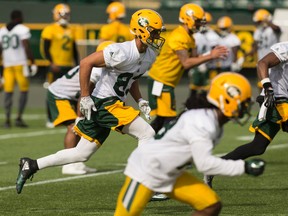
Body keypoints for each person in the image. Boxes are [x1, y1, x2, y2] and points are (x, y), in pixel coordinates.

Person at [16, 9, 166, 194]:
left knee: (81, 154)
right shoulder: (122, 51)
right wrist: (85, 96)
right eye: (155, 31)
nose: (158, 36)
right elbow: (86, 63)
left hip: (112, 104)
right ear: (141, 30)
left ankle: (31, 164)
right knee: (147, 134)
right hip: (106, 103)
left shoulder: (149, 55)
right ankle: (145, 185)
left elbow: (132, 78)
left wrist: (140, 99)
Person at [114, 72, 266, 216]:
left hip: (170, 172)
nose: (245, 108)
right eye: (243, 103)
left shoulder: (209, 119)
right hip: (147, 170)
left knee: (211, 205)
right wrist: (244, 167)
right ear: (225, 99)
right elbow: (204, 164)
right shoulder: (203, 123)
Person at [204, 41, 288, 188]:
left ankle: (213, 168)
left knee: (257, 147)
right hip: (276, 99)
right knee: (258, 146)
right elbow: (262, 63)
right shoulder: (286, 48)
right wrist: (267, 87)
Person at [147, 3, 228, 134]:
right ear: (188, 19)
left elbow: (195, 59)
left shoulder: (190, 37)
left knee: (162, 119)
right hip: (161, 81)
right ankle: (154, 144)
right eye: (197, 21)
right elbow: (186, 63)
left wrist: (211, 55)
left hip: (165, 81)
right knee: (169, 121)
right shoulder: (179, 36)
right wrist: (210, 56)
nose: (200, 25)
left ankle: (145, 139)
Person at [45, 42, 114, 175]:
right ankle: (68, 165)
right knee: (73, 127)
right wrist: (79, 117)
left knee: (79, 128)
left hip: (71, 95)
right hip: (59, 95)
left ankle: (77, 162)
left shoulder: (97, 66)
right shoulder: (97, 69)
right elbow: (84, 96)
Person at [40, 3, 79, 128]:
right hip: (56, 66)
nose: (66, 16)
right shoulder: (50, 29)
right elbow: (44, 49)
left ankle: (69, 118)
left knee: (71, 93)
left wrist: (77, 64)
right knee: (52, 91)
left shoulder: (71, 29)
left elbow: (74, 49)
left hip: (68, 66)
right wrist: (51, 63)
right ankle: (51, 118)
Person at [0, 10, 37, 128]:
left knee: (8, 92)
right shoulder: (22, 29)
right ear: (19, 17)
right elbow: (26, 46)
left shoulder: (2, 31)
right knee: (23, 91)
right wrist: (33, 62)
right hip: (20, 64)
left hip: (7, 65)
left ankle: (7, 119)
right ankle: (19, 118)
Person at [187, 12, 220, 109]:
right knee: (193, 88)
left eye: (206, 22)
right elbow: (192, 51)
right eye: (202, 22)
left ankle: (206, 107)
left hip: (209, 66)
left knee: (208, 89)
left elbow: (215, 52)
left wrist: (207, 62)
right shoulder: (196, 34)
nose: (204, 25)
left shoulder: (213, 36)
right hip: (197, 64)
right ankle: (190, 107)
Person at [246, 9, 281, 91]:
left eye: (259, 21)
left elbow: (277, 29)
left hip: (273, 62)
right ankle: (262, 103)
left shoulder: (272, 29)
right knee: (261, 84)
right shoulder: (258, 31)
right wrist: (244, 57)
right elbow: (255, 47)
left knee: (275, 85)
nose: (258, 24)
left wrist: (267, 21)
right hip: (261, 61)